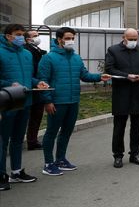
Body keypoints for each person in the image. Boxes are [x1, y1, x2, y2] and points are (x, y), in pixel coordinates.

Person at [38, 27, 111, 175]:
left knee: (66, 132)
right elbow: (42, 81)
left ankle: (60, 159)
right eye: (68, 38)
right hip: (57, 101)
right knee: (51, 132)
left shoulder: (76, 58)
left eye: (73, 38)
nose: (71, 41)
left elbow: (84, 75)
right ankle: (48, 163)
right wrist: (47, 101)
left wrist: (99, 77)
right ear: (59, 39)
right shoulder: (48, 58)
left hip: (73, 101)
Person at [0, 24, 48, 191]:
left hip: (25, 101)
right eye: (17, 34)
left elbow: (30, 77)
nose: (20, 37)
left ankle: (16, 171)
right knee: (2, 140)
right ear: (8, 36)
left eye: (22, 35)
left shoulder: (27, 54)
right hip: (6, 102)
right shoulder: (1, 52)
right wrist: (8, 84)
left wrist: (38, 83)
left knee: (18, 139)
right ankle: (1, 175)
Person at [104, 28, 139, 168]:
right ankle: (118, 155)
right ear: (123, 37)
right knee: (119, 127)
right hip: (121, 94)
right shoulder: (113, 50)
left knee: (136, 127)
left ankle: (135, 154)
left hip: (138, 93)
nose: (133, 42)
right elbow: (109, 69)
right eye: (130, 39)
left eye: (135, 39)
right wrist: (127, 76)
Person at [24, 29, 46, 151]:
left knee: (37, 115)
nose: (38, 37)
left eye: (38, 35)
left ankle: (32, 140)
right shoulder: (27, 51)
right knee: (32, 115)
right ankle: (31, 141)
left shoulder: (36, 50)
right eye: (34, 36)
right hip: (32, 85)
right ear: (28, 39)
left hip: (38, 85)